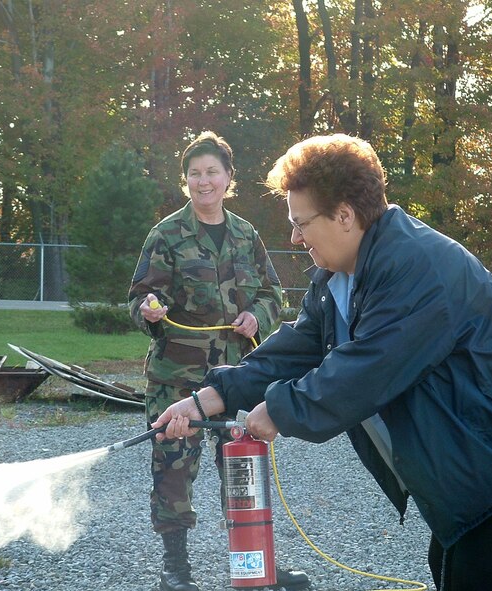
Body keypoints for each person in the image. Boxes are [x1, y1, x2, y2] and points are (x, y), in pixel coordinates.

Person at [154, 134, 492, 591]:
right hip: (482, 443)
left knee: (471, 569)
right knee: (450, 560)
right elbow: (299, 345)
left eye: (301, 223)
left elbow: (366, 370)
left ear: (345, 216)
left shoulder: (418, 265)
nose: (295, 237)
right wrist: (208, 398)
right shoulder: (337, 275)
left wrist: (278, 410)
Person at [128, 131, 311, 591]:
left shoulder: (246, 235)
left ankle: (254, 562)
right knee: (173, 469)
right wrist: (150, 310)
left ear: (229, 178)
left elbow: (273, 293)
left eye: (212, 172)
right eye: (194, 173)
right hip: (177, 379)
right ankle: (176, 569)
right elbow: (138, 299)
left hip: (235, 378)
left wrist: (258, 316)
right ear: (185, 179)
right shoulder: (166, 235)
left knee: (242, 470)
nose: (203, 181)